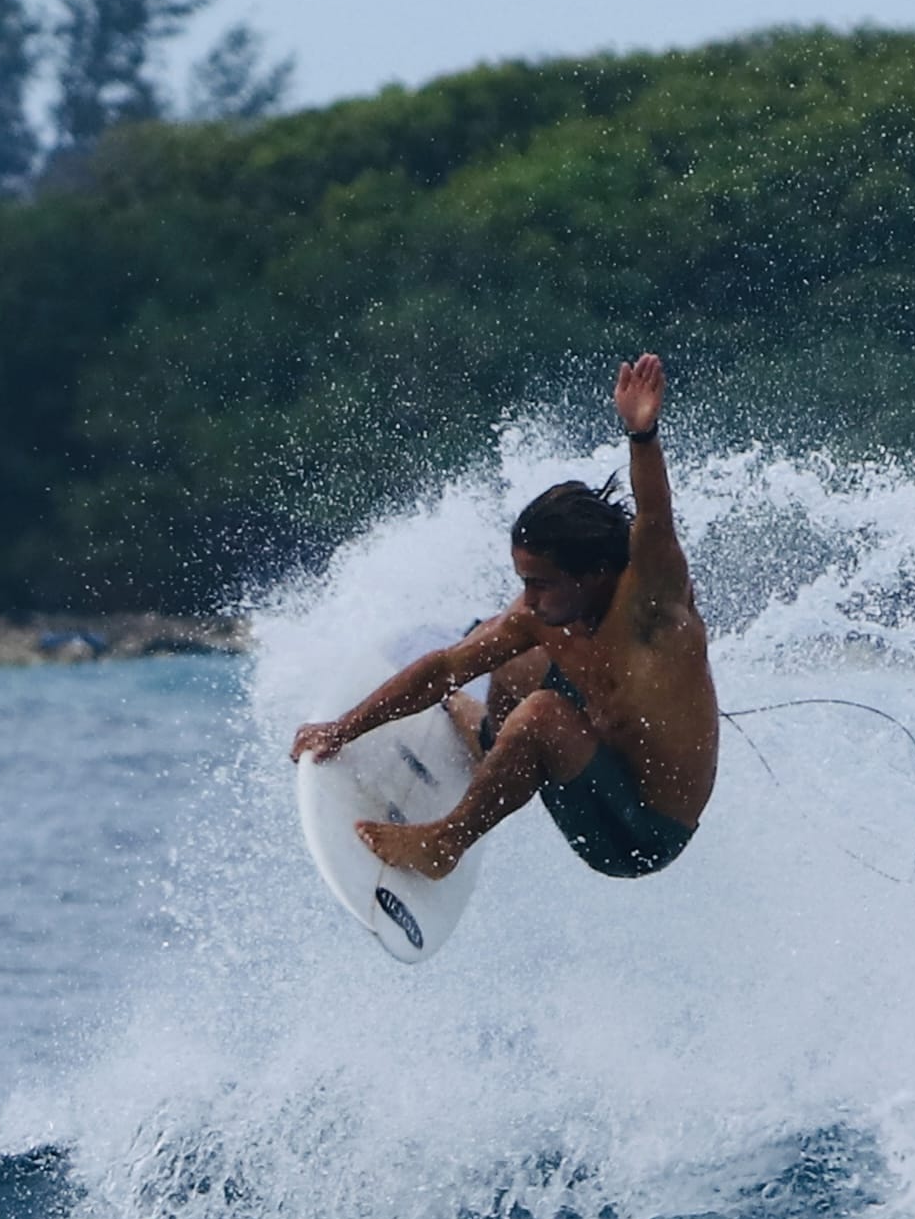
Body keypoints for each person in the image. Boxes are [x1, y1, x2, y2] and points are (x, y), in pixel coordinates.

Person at [289, 353, 719, 882]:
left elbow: (655, 521)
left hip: (641, 833)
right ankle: (497, 747)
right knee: (503, 651)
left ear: (594, 574)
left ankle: (445, 844)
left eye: (541, 584)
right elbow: (448, 666)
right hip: (593, 760)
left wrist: (643, 434)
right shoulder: (545, 615)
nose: (529, 600)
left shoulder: (654, 609)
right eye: (524, 582)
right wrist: (343, 729)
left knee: (541, 712)